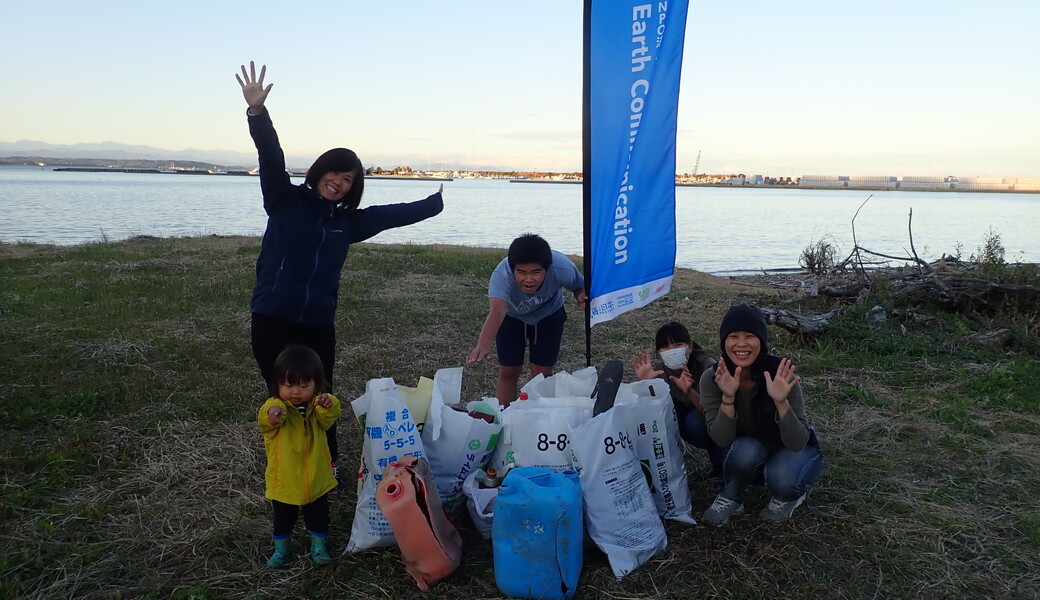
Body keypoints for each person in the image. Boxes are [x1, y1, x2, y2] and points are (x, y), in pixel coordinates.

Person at [236, 61, 443, 479]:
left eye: (349, 180)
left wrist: (434, 203)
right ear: (319, 170)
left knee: (319, 393)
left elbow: (390, 215)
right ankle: (284, 458)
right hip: (272, 315)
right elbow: (270, 156)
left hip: (316, 322)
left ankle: (327, 461)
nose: (340, 182)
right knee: (281, 392)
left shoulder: (346, 223)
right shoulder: (284, 198)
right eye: (335, 172)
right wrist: (257, 113)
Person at [698, 304, 823, 525]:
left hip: (792, 447)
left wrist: (780, 401)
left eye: (750, 336)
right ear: (724, 342)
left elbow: (798, 442)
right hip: (752, 444)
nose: (741, 344)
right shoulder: (713, 378)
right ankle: (732, 495)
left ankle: (789, 496)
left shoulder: (780, 375)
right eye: (733, 336)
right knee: (741, 451)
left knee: (782, 478)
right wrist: (728, 396)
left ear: (762, 342)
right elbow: (721, 439)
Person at [466, 233, 587, 406]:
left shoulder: (563, 268)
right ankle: (504, 416)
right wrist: (483, 344)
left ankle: (539, 417)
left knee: (542, 373)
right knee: (508, 370)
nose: (529, 279)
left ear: (547, 268)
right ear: (512, 268)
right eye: (521, 272)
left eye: (536, 272)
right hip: (512, 317)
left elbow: (578, 285)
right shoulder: (502, 276)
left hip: (549, 315)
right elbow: (497, 311)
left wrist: (580, 295)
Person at [258, 345, 342, 567]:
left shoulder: (317, 410)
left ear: (317, 384)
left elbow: (331, 415)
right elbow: (265, 419)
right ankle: (282, 550)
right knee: (283, 520)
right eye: (289, 385)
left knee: (319, 517)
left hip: (316, 479)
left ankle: (319, 546)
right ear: (277, 384)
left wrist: (328, 403)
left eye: (305, 385)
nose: (296, 391)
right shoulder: (275, 407)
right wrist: (272, 415)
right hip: (285, 481)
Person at [632, 321, 724, 477]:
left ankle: (721, 466)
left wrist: (688, 391)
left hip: (708, 421)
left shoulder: (707, 367)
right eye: (665, 347)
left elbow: (714, 412)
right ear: (658, 353)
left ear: (690, 347)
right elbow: (650, 414)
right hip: (679, 419)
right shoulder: (658, 371)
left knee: (695, 422)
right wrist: (646, 383)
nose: (672, 351)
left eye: (677, 345)